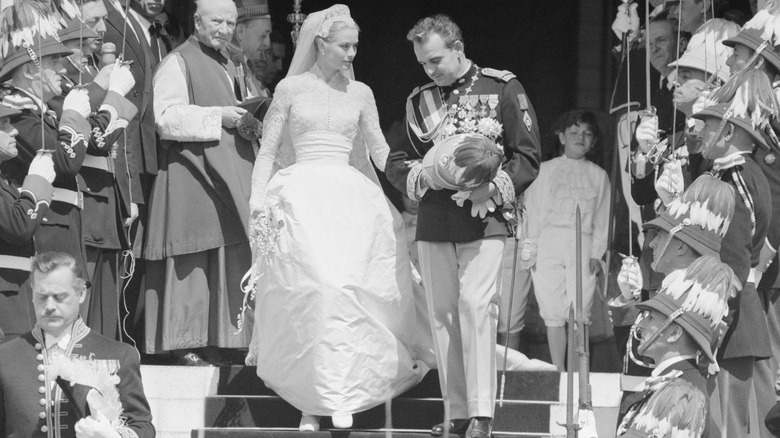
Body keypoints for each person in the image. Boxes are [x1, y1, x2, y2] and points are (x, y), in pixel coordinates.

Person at [245, 4, 427, 431]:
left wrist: (418, 175)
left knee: (346, 291)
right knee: (312, 291)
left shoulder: (360, 93)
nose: (351, 54)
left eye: (355, 46)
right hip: (301, 196)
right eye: (344, 46)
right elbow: (269, 150)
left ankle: (340, 392)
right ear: (320, 44)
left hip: (349, 200)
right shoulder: (290, 89)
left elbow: (379, 153)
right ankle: (311, 401)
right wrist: (257, 199)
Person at [385, 14, 542, 438]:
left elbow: (526, 157)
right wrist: (425, 177)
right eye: (423, 63)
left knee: (476, 307)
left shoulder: (502, 87)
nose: (430, 70)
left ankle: (482, 414)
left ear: (457, 48)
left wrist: (490, 189)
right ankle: (455, 413)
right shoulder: (420, 100)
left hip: (485, 218)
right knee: (442, 317)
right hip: (436, 219)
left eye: (435, 60)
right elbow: (396, 161)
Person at [143, 0, 255, 365]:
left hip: (228, 174)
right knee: (192, 255)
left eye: (231, 23)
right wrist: (218, 115)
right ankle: (184, 341)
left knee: (229, 255)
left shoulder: (231, 61)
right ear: (197, 20)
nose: (224, 29)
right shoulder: (179, 60)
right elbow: (165, 118)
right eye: (217, 21)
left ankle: (227, 339)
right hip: (191, 173)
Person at [0, 251, 155, 438]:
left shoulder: (120, 355)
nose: (49, 306)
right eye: (42, 296)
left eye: (59, 297)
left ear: (81, 294)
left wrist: (115, 436)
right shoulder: (5, 357)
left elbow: (142, 426)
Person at [523, 109, 610, 371]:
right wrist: (532, 248)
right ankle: (559, 370)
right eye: (574, 133)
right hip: (549, 241)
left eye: (586, 134)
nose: (580, 138)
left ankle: (578, 370)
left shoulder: (598, 175)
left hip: (581, 245)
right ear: (562, 137)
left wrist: (597, 252)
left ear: (593, 141)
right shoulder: (544, 171)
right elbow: (533, 211)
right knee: (552, 309)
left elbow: (602, 216)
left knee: (579, 310)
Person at [617, 255, 739, 438]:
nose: (640, 325)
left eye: (650, 318)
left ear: (674, 334)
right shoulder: (676, 380)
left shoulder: (681, 393)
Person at [0, 104, 56, 344]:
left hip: (16, 289)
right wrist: (37, 185)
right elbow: (17, 227)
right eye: (4, 125)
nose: (14, 132)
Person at [229, 0, 273, 97]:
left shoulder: (246, 65)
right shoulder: (227, 65)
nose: (268, 44)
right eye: (263, 36)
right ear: (241, 32)